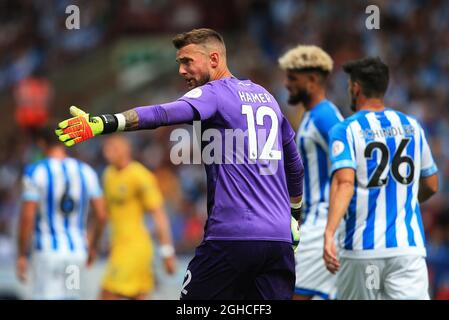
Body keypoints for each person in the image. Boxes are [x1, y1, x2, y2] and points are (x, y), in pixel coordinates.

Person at [55, 28, 304, 300]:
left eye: (187, 62)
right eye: (179, 64)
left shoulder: (214, 92)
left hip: (232, 238)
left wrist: (105, 122)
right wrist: (294, 215)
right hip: (279, 241)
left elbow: (163, 113)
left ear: (213, 59)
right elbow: (294, 164)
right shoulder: (267, 97)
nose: (182, 71)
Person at [323, 57, 439, 300]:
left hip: (362, 250)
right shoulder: (412, 126)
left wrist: (329, 232)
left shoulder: (345, 130)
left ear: (355, 87)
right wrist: (403, 200)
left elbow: (344, 183)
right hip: (407, 249)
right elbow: (432, 184)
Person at [278, 45, 343, 300]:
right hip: (316, 223)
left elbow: (352, 165)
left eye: (293, 78)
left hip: (322, 226)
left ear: (313, 80)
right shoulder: (311, 116)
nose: (286, 84)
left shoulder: (326, 116)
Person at [17, 126, 107, 299]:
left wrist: (22, 254)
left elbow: (27, 216)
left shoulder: (36, 171)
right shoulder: (85, 171)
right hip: (77, 251)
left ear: (41, 144)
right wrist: (93, 245)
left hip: (47, 251)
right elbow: (102, 214)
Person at [100, 135, 176, 300]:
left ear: (126, 150)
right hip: (118, 247)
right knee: (139, 296)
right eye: (106, 149)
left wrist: (167, 252)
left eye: (113, 148)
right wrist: (92, 243)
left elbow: (159, 215)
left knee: (107, 294)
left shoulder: (139, 175)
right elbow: (104, 214)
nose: (107, 153)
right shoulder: (108, 174)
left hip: (134, 248)